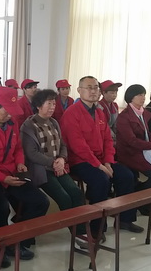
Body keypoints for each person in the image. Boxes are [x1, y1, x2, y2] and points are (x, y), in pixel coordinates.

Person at [0, 86, 49, 262]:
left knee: (40, 202)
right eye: (6, 111)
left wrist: (20, 163)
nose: (9, 115)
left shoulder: (12, 123)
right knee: (1, 207)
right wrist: (3, 178)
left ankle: (18, 241)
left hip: (11, 173)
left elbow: (18, 148)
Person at [61, 76, 142, 233]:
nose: (93, 91)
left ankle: (125, 220)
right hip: (80, 160)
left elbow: (107, 140)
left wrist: (107, 162)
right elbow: (78, 146)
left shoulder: (99, 112)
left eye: (96, 88)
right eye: (89, 88)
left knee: (127, 176)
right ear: (79, 90)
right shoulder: (71, 113)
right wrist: (99, 165)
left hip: (101, 159)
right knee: (101, 180)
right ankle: (96, 228)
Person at [20, 89, 84, 218]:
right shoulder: (29, 125)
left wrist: (62, 159)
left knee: (76, 193)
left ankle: (79, 226)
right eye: (48, 103)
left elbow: (62, 144)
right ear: (38, 105)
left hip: (58, 167)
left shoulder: (54, 122)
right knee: (64, 198)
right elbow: (31, 153)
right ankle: (74, 227)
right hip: (41, 170)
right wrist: (53, 162)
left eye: (54, 104)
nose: (52, 107)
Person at [115, 84, 151, 212]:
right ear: (131, 97)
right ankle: (141, 201)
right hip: (130, 153)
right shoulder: (124, 116)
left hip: (144, 150)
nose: (143, 98)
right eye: (139, 95)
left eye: (144, 95)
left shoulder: (143, 113)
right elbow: (131, 141)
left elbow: (148, 134)